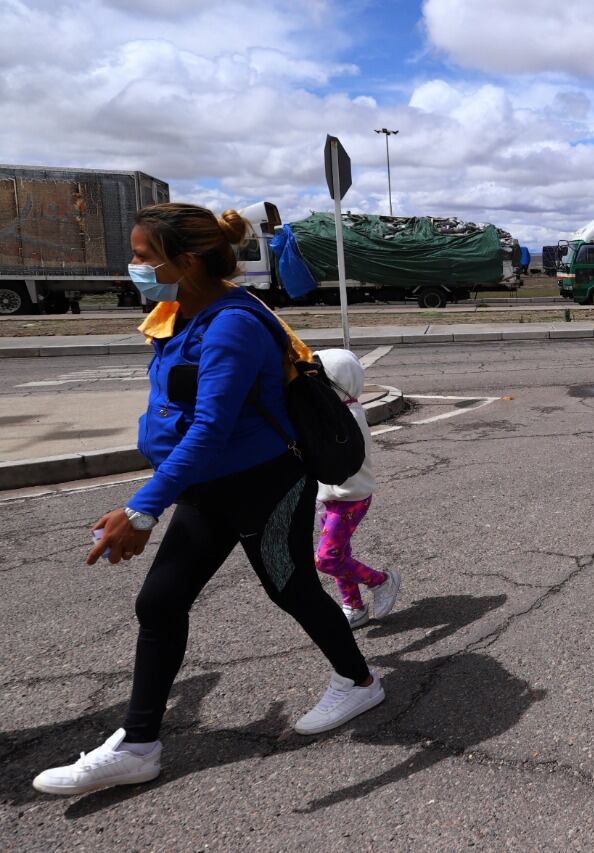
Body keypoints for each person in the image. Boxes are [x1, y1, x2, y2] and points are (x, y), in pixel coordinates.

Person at [33, 203, 383, 797]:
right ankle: (139, 746)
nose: (133, 267)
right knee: (160, 602)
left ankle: (359, 682)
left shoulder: (230, 325)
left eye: (142, 256)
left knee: (292, 588)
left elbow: (210, 429)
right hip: (205, 487)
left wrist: (142, 508)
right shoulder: (181, 313)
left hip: (263, 485)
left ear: (187, 261)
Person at [313, 348, 401, 628]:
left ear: (339, 381)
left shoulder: (348, 415)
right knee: (341, 554)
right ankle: (353, 605)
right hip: (330, 496)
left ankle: (381, 581)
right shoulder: (337, 410)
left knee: (327, 559)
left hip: (350, 499)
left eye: (321, 379)